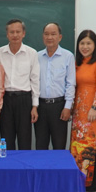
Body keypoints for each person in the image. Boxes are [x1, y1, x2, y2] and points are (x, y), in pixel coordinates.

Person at [0, 19, 40, 150]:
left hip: (24, 99)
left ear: (23, 33)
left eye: (18, 32)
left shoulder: (31, 53)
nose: (15, 35)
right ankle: (8, 168)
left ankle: (24, 168)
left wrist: (34, 106)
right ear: (7, 34)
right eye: (11, 32)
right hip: (6, 99)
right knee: (6, 138)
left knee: (25, 138)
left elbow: (35, 80)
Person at [70, 29, 96, 192]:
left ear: (95, 45)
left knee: (90, 145)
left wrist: (94, 107)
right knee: (77, 146)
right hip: (78, 111)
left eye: (88, 43)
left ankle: (91, 182)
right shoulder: (76, 64)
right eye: (82, 43)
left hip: (92, 111)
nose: (85, 47)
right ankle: (78, 179)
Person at [35, 22, 76, 150]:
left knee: (59, 145)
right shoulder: (37, 56)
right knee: (40, 145)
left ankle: (58, 170)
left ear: (60, 37)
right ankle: (41, 170)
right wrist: (34, 106)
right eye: (46, 34)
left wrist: (67, 106)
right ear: (43, 37)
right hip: (40, 106)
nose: (49, 37)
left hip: (59, 106)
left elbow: (70, 83)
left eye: (53, 34)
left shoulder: (68, 56)